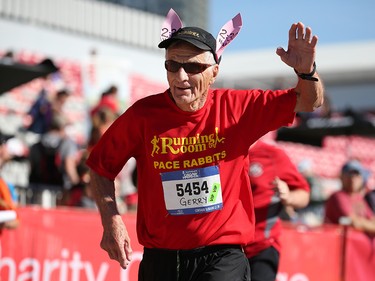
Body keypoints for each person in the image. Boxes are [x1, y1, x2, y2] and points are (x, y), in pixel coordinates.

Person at [86, 10, 324, 281]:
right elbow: (100, 167)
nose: (181, 76)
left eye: (194, 67)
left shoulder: (238, 108)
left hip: (221, 256)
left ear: (214, 72)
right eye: (172, 66)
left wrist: (307, 73)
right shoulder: (143, 115)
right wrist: (111, 220)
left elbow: (308, 102)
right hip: (160, 259)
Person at [244, 140, 310, 281]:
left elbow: (304, 194)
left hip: (261, 247)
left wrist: (288, 197)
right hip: (225, 249)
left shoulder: (273, 155)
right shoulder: (221, 150)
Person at [28, 114, 80, 207]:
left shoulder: (36, 143)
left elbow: (32, 166)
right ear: (62, 127)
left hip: (37, 189)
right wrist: (77, 185)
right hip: (59, 192)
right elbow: (69, 168)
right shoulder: (67, 144)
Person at [325, 160, 375, 235]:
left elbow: (371, 219)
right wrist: (366, 224)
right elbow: (354, 222)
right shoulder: (338, 196)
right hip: (339, 244)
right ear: (342, 177)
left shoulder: (359, 198)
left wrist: (363, 223)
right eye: (350, 174)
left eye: (356, 175)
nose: (353, 179)